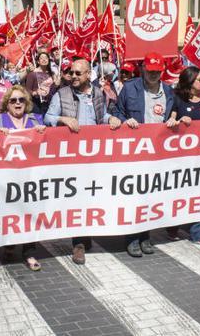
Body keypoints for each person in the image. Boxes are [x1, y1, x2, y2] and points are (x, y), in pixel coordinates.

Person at [45, 58, 121, 264]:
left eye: (79, 73)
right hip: (70, 156)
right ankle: (78, 244)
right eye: (71, 73)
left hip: (93, 155)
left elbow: (101, 115)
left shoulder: (97, 93)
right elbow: (48, 118)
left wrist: (110, 119)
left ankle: (85, 236)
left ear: (89, 74)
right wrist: (63, 119)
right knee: (77, 199)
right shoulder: (62, 94)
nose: (74, 77)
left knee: (90, 196)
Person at [114, 52, 176, 257]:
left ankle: (145, 235)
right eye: (150, 71)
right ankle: (132, 237)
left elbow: (173, 111)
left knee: (150, 194)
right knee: (134, 195)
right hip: (134, 151)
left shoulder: (168, 90)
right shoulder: (129, 87)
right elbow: (117, 112)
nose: (153, 75)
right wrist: (124, 121)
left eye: (157, 71)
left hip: (157, 152)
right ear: (143, 69)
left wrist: (174, 118)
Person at [0, 86, 46, 270]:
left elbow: (46, 144)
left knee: (29, 213)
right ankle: (9, 245)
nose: (17, 103)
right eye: (13, 100)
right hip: (7, 176)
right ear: (7, 103)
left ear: (26, 102)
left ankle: (29, 252)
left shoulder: (36, 119)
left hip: (30, 177)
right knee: (10, 212)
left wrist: (44, 132)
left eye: (21, 100)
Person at [166, 66, 200, 247]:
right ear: (190, 81)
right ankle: (172, 225)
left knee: (198, 193)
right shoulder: (178, 100)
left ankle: (198, 231)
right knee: (179, 193)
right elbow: (170, 122)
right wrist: (179, 122)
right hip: (181, 158)